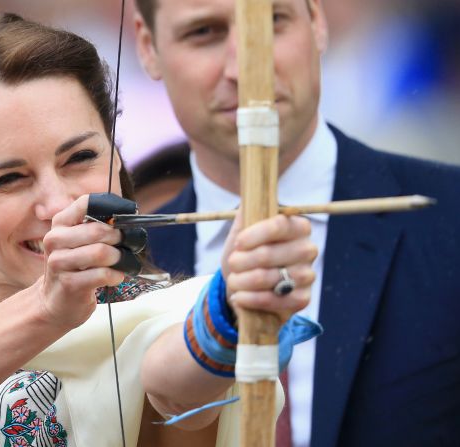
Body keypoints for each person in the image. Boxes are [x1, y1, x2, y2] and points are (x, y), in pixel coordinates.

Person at [0, 12, 319, 447]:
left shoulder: (167, 314)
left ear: (116, 153)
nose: (58, 204)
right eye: (9, 179)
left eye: (81, 158)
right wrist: (46, 308)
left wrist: (228, 311)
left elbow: (175, 382)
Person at [133, 0, 460, 446]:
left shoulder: (448, 216)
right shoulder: (126, 265)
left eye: (272, 22)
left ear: (317, 20)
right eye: (204, 32)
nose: (245, 66)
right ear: (147, 46)